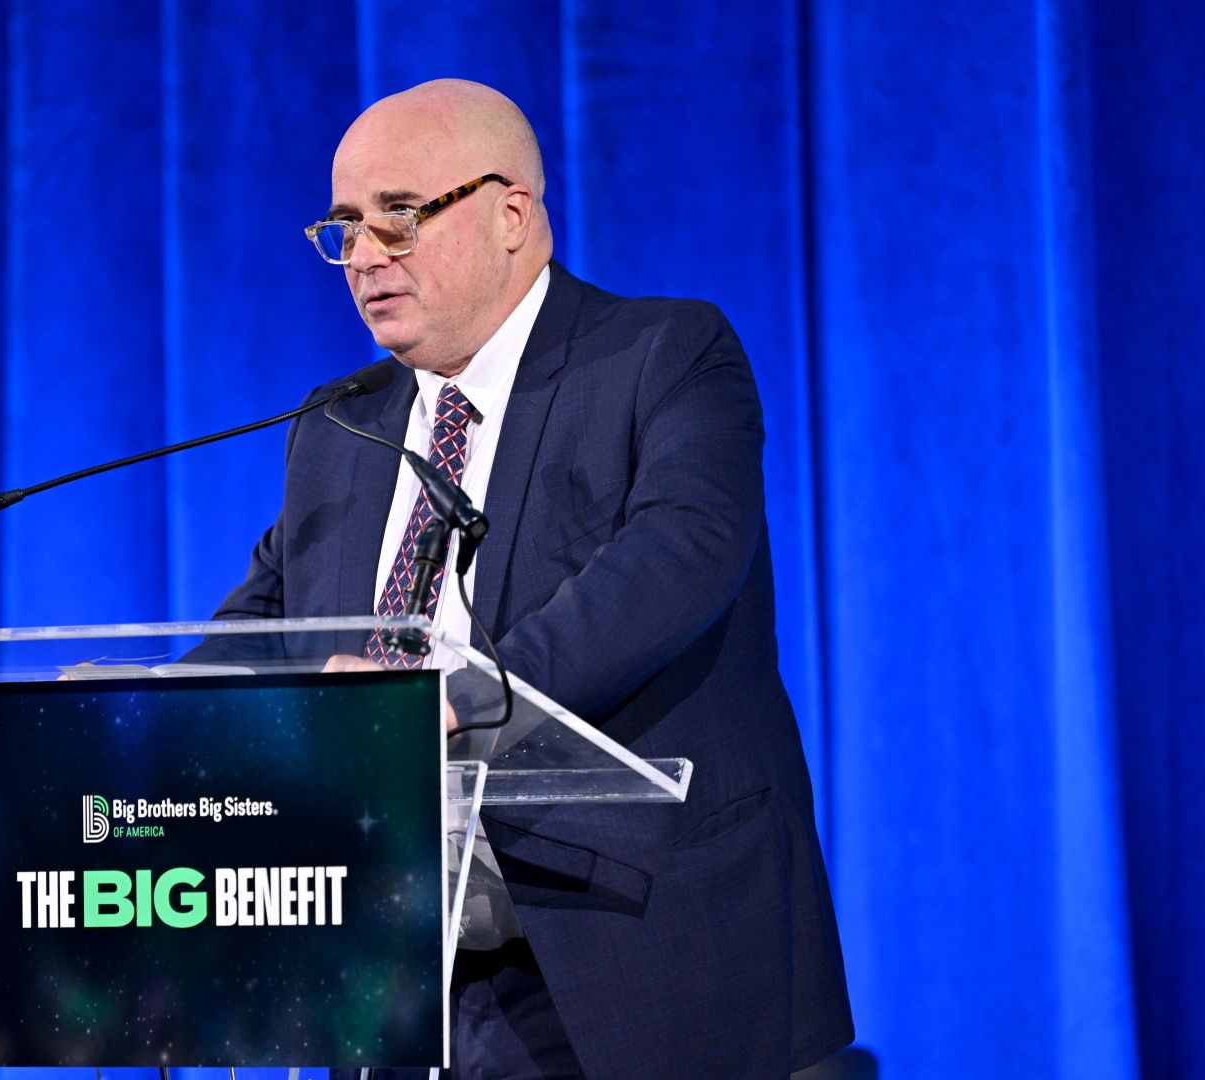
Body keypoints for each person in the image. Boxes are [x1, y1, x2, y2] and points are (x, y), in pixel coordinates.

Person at [215, 79, 853, 1079]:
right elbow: (264, 620)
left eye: (402, 217)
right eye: (345, 227)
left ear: (512, 214)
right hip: (393, 973)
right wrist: (136, 722)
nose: (367, 255)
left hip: (633, 955)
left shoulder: (666, 355)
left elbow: (676, 559)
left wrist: (452, 698)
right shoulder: (338, 423)